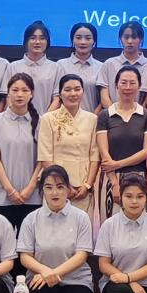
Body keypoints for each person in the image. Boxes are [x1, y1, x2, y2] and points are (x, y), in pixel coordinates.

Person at [17, 165, 96, 293]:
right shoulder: (31, 219)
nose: (54, 192)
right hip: (40, 278)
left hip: (75, 280)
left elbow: (81, 256)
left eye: (60, 187)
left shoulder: (81, 217)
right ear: (42, 190)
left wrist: (53, 273)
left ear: (68, 189)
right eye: (49, 187)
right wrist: (45, 272)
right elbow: (25, 257)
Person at [96, 66, 147, 225]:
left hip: (139, 177)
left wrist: (118, 164)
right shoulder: (105, 115)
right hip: (111, 178)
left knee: (139, 224)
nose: (128, 87)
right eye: (123, 83)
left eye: (132, 83)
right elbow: (104, 153)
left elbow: (146, 151)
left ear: (139, 86)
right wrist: (115, 183)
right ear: (116, 85)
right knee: (110, 224)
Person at [0, 73, 43, 229]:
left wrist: (30, 189)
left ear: (32, 94)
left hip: (32, 196)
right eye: (15, 90)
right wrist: (9, 190)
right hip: (2, 196)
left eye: (25, 90)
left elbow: (42, 159)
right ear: (8, 93)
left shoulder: (40, 122)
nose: (19, 94)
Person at [37, 74, 99, 215]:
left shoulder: (92, 119)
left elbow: (94, 156)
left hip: (83, 188)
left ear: (83, 92)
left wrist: (87, 185)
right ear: (60, 94)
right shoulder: (48, 119)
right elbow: (45, 156)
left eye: (77, 89)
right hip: (56, 187)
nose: (73, 94)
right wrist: (64, 186)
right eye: (67, 90)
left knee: (82, 225)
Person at [98, 21, 147, 114]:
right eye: (126, 37)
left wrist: (137, 115)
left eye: (134, 37)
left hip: (140, 117)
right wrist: (117, 115)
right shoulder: (109, 64)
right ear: (121, 38)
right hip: (113, 116)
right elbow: (104, 97)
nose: (129, 41)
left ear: (141, 39)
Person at [8, 21, 59, 116]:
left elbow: (57, 98)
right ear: (26, 41)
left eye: (42, 38)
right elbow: (8, 97)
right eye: (33, 38)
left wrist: (44, 120)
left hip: (45, 121)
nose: (37, 42)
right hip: (17, 120)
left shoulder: (56, 68)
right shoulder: (13, 67)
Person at [55, 22, 103, 113]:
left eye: (88, 38)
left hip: (93, 117)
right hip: (64, 118)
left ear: (94, 41)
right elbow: (57, 97)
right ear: (72, 40)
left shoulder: (101, 67)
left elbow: (103, 100)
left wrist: (93, 117)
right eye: (78, 38)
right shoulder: (60, 65)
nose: (83, 42)